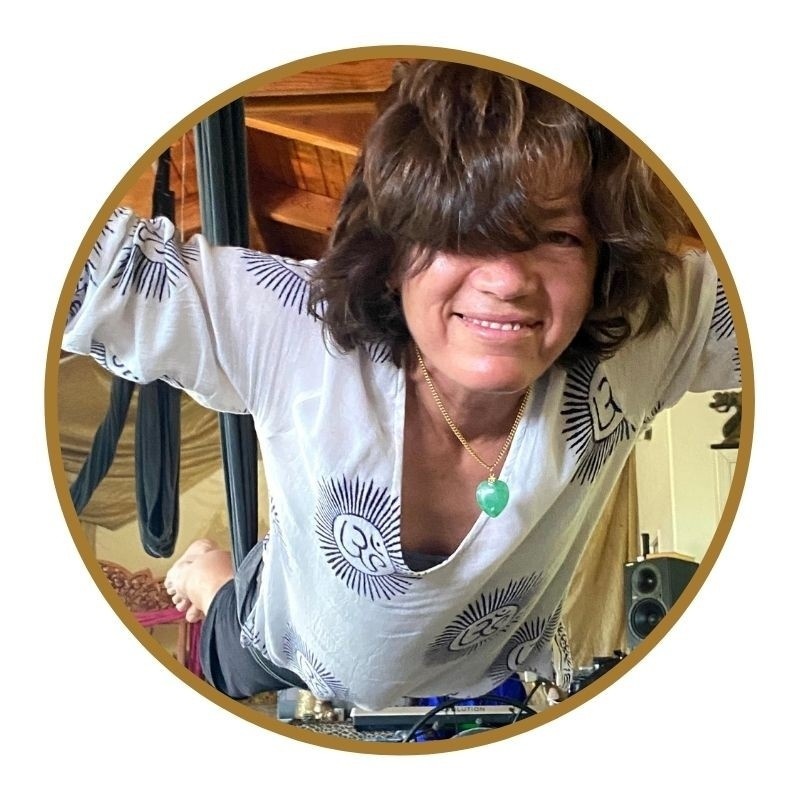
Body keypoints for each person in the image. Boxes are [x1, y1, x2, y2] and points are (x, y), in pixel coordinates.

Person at [62, 60, 740, 710]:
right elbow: (91, 279)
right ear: (392, 257)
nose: (507, 280)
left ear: (598, 262)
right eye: (458, 231)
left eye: (558, 236)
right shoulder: (290, 328)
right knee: (222, 632)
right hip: (282, 641)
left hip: (486, 668)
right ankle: (211, 573)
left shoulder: (652, 330)